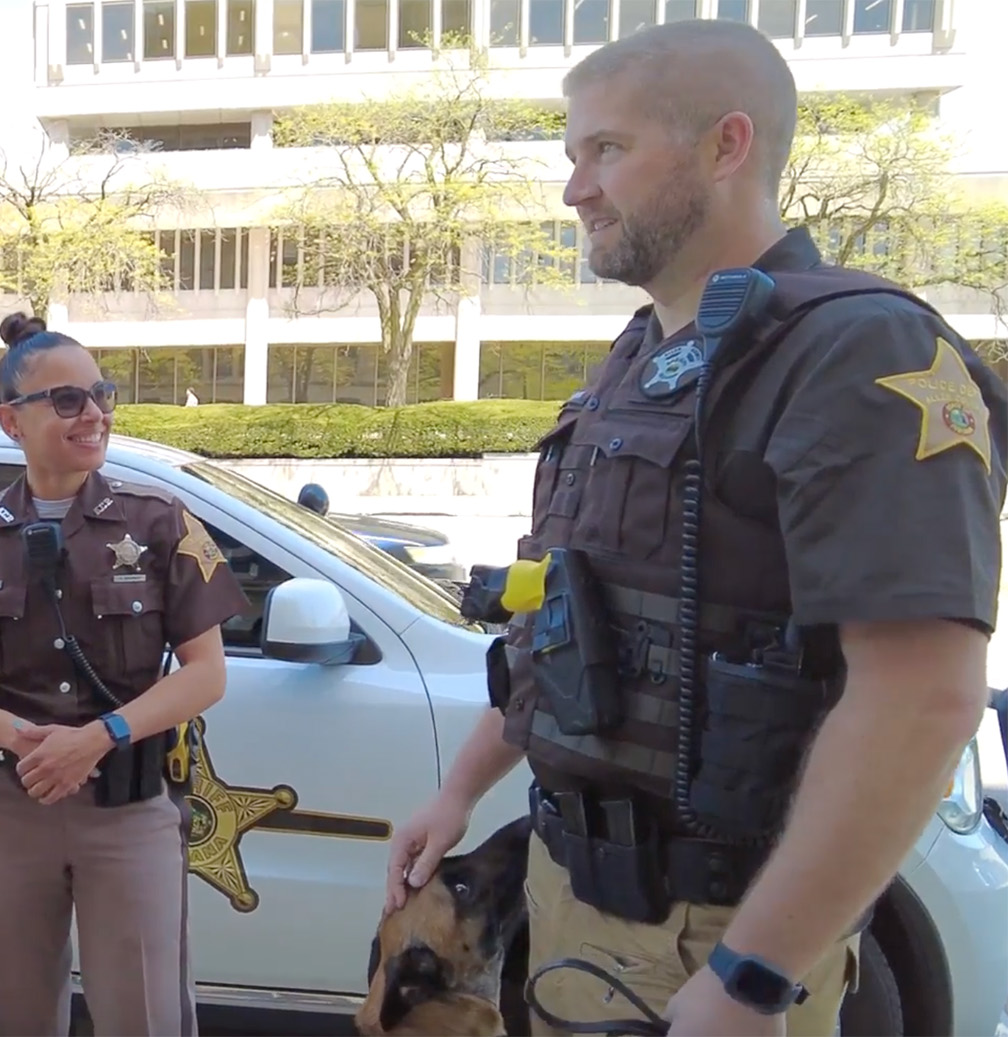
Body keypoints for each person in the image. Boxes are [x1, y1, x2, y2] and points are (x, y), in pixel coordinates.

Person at [382, 18, 1008, 1037]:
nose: (573, 186)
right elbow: (569, 617)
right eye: (572, 154)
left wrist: (749, 974)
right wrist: (459, 790)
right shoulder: (642, 357)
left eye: (606, 150)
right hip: (572, 901)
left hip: (707, 938)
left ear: (726, 146)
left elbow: (921, 696)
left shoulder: (855, 352)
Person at [0, 313, 249, 1037]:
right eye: (66, 400)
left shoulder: (158, 523)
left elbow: (206, 673)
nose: (93, 414)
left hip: (129, 806)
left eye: (101, 394)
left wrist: (99, 736)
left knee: (144, 1017)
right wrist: (23, 738)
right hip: (6, 807)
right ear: (9, 421)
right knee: (15, 1017)